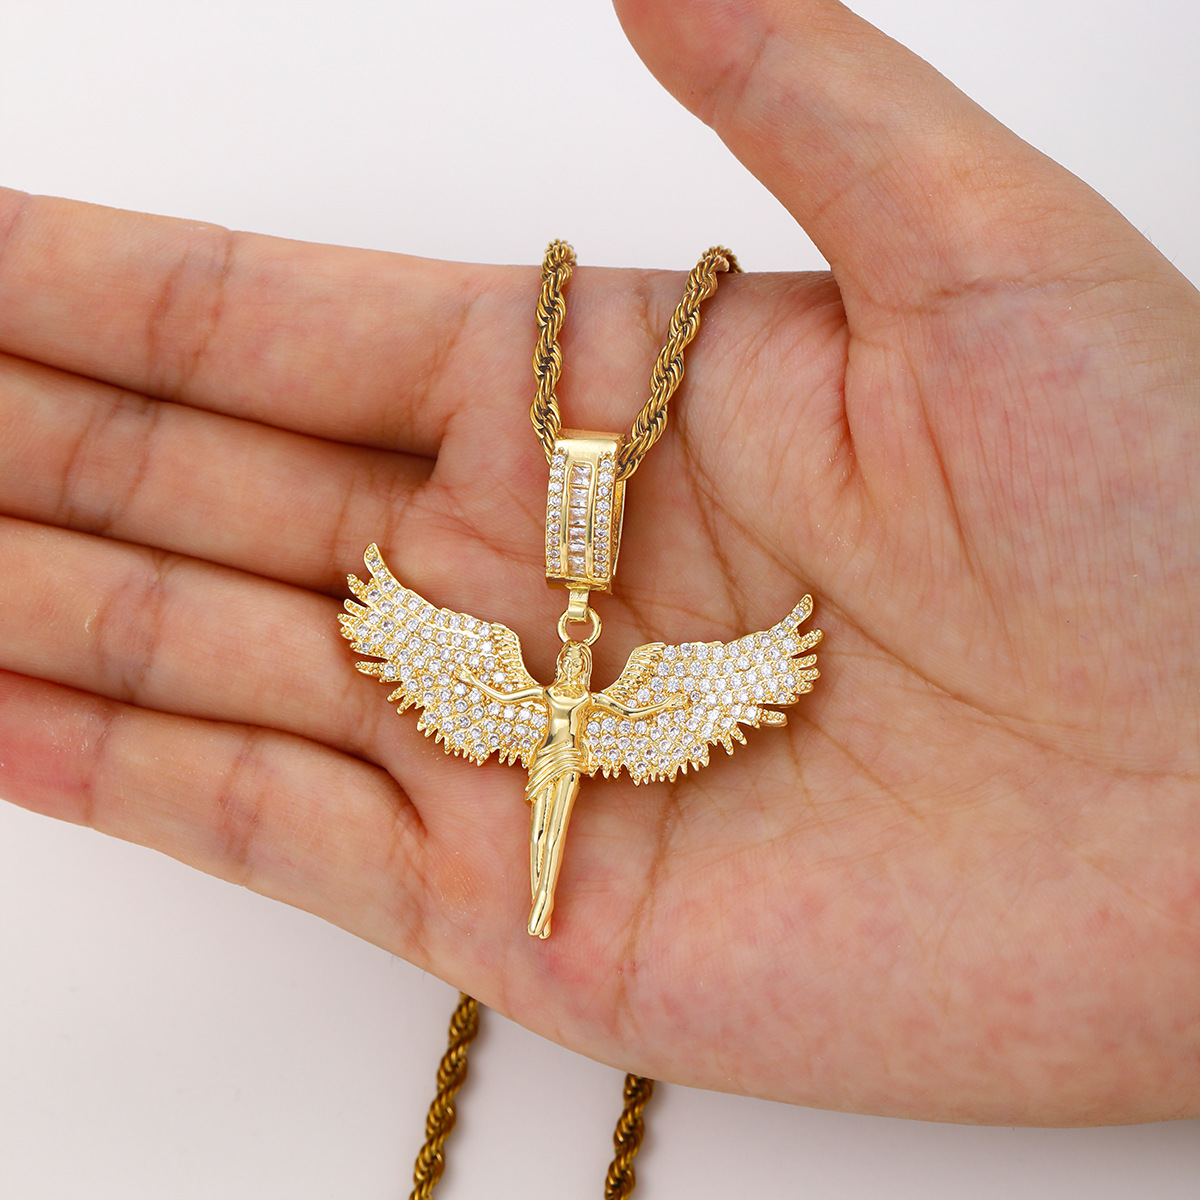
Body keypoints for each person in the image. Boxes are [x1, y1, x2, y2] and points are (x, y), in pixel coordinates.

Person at [0, 0, 1196, 1127]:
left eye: (578, 650)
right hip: (554, 752)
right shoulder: (519, 684)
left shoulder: (629, 697)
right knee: (538, 832)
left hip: (570, 753)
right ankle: (536, 895)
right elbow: (400, 629)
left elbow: (753, 675)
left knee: (549, 840)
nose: (576, 648)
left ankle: (538, 898)